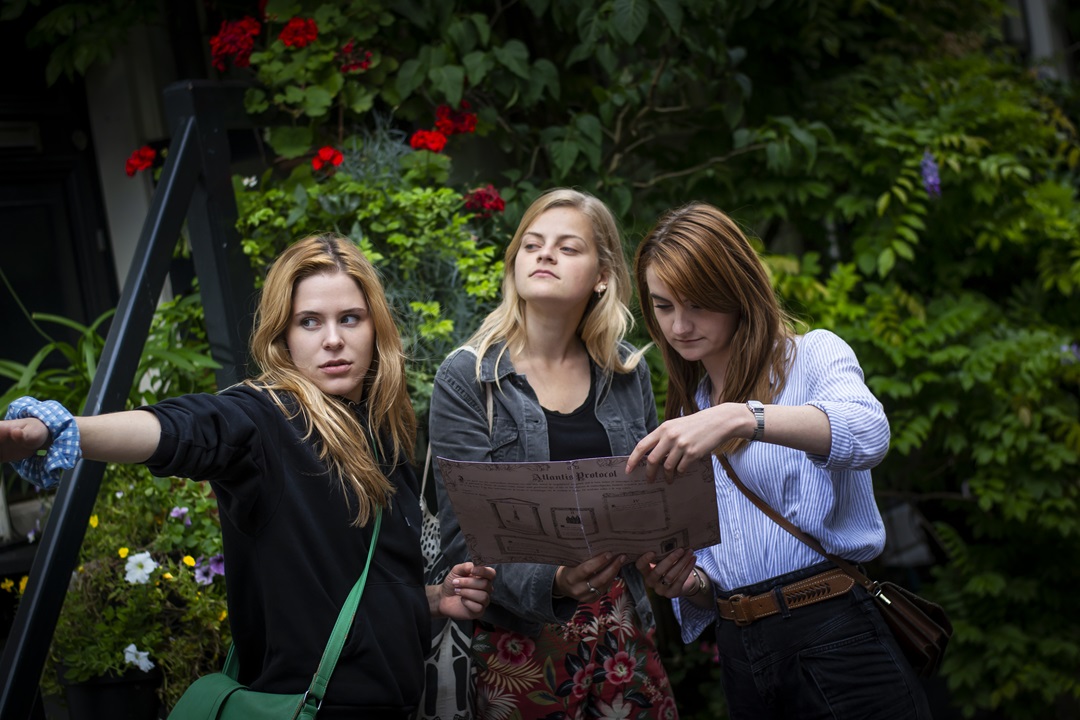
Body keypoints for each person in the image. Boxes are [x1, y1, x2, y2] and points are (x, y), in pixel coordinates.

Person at [0, 235, 495, 720]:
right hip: (306, 706)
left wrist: (429, 600)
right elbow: (186, 428)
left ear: (375, 327)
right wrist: (59, 430)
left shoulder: (382, 430)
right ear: (282, 336)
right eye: (309, 322)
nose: (333, 339)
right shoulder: (266, 420)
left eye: (350, 318)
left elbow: (346, 580)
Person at [626, 202, 933, 719]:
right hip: (741, 650)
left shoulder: (811, 355)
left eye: (697, 304)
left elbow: (869, 433)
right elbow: (720, 566)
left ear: (736, 291)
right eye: (661, 306)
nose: (678, 326)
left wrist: (746, 418)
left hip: (833, 632)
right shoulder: (688, 405)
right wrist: (690, 583)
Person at [428, 188, 680, 720]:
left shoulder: (627, 372)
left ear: (603, 274)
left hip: (621, 626)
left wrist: (667, 549)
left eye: (568, 248)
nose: (544, 255)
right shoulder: (469, 376)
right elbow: (461, 538)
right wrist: (555, 581)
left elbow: (656, 500)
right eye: (532, 244)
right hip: (518, 644)